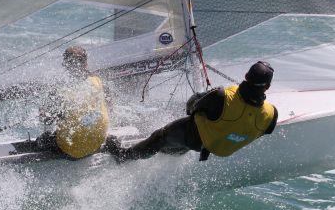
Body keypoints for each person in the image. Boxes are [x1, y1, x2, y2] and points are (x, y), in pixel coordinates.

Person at [106, 61, 278, 161]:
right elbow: (262, 132)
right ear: (268, 87)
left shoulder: (222, 96)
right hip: (208, 146)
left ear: (246, 76)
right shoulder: (271, 115)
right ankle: (168, 152)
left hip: (193, 135)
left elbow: (191, 107)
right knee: (177, 146)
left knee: (160, 137)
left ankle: (123, 157)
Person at [38, 46, 109, 159]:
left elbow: (46, 118)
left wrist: (46, 114)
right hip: (99, 141)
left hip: (72, 149)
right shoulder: (98, 81)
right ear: (85, 63)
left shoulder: (59, 89)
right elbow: (108, 105)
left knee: (43, 139)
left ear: (65, 65)